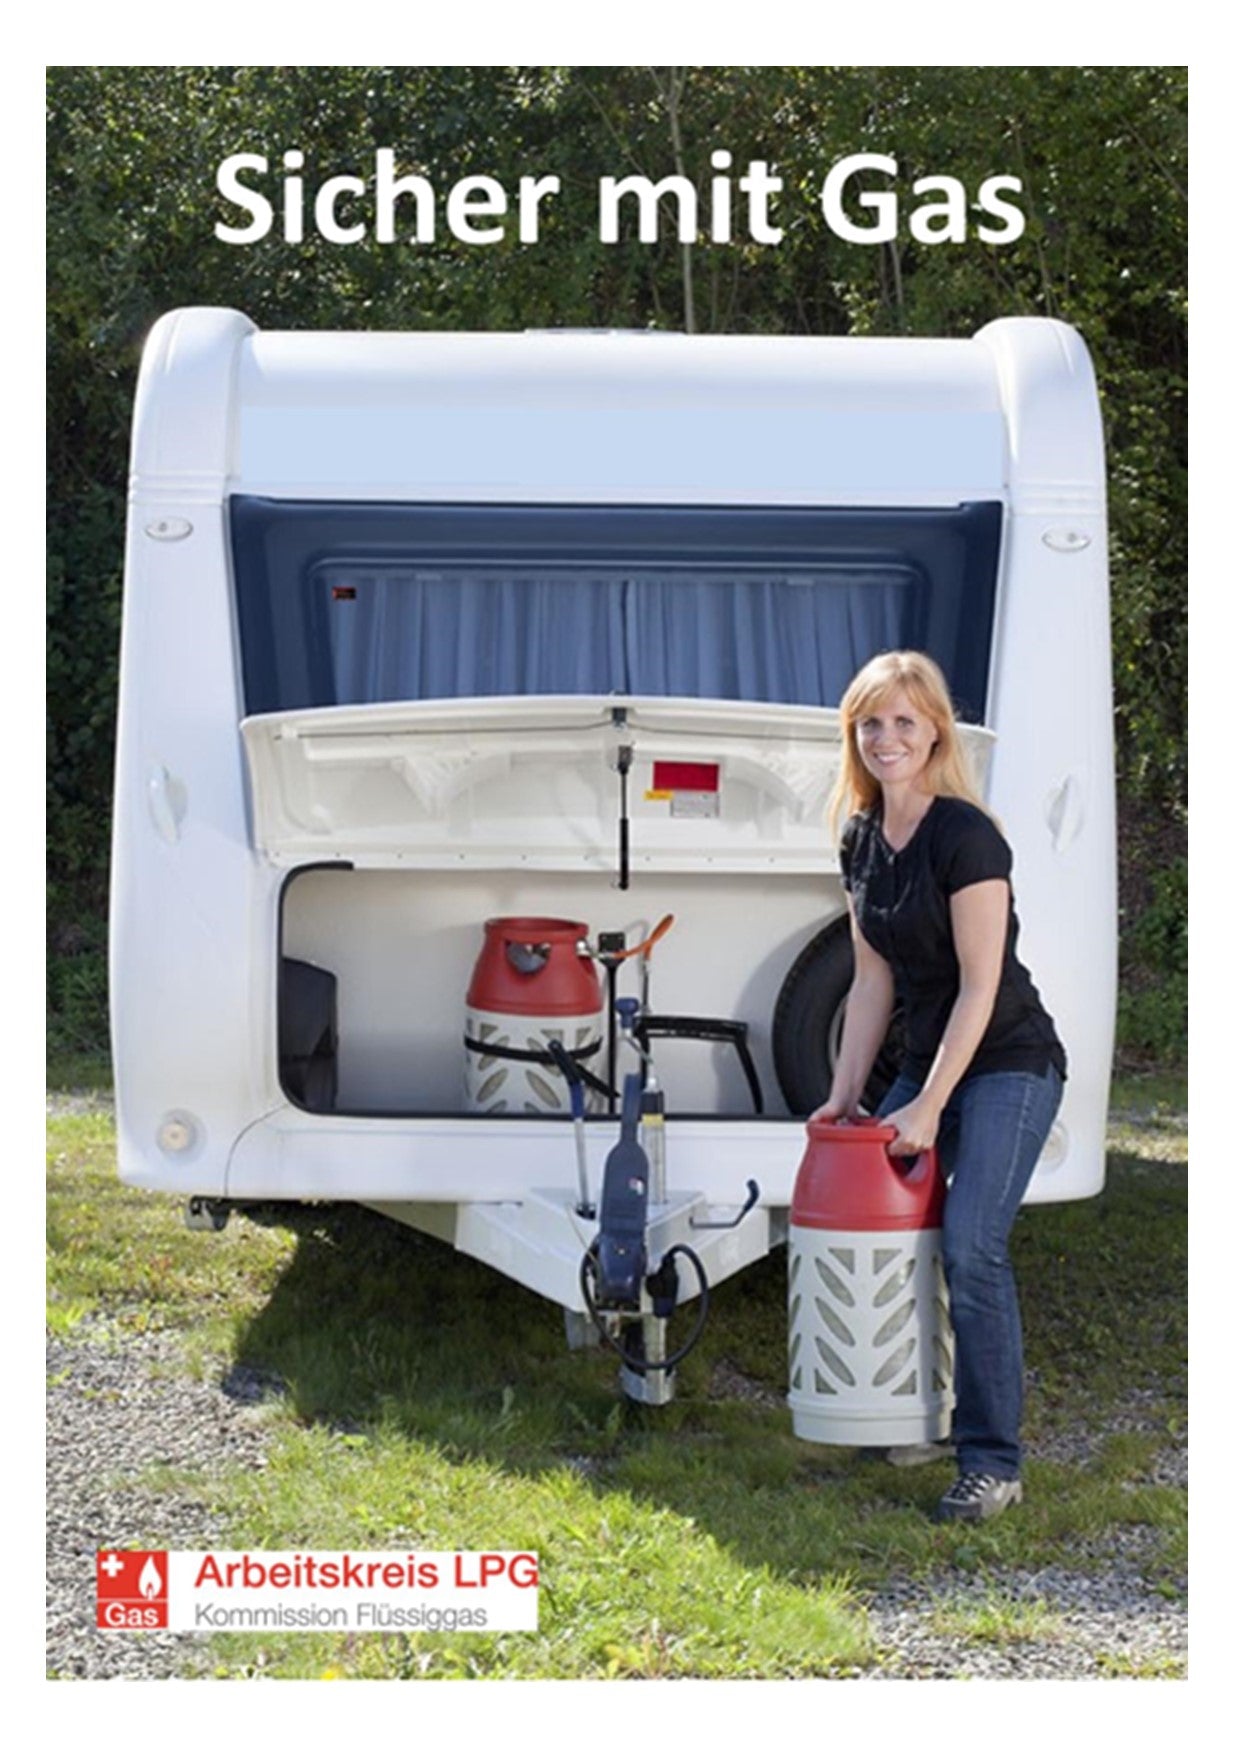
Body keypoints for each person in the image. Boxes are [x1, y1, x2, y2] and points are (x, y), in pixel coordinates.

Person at [813, 650, 1066, 1523]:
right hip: (928, 1062)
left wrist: (927, 1105)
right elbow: (871, 980)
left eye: (903, 723)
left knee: (971, 1246)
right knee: (888, 1238)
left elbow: (980, 984)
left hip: (1008, 1061)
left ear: (934, 735)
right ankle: (914, 1419)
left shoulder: (967, 838)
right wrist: (846, 1093)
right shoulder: (859, 838)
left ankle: (992, 1461)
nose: (886, 739)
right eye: (870, 723)